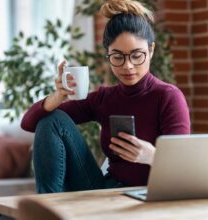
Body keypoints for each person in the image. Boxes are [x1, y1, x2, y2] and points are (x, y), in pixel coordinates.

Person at [21, 0, 190, 194]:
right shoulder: (104, 98)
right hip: (105, 190)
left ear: (151, 51)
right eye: (118, 57)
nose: (128, 66)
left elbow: (182, 165)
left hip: (149, 195)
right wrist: (58, 96)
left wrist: (151, 155)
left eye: (137, 55)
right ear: (107, 55)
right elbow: (30, 123)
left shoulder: (168, 97)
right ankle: (46, 206)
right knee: (51, 118)